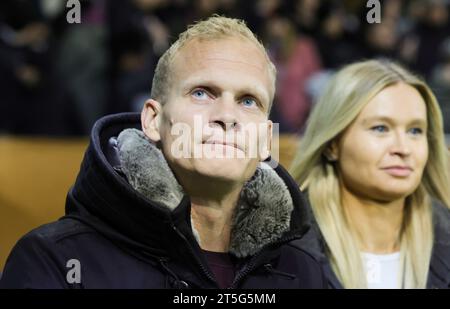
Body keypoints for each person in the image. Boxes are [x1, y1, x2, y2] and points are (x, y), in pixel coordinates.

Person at [0, 16, 325, 289]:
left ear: (267, 139)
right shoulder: (53, 261)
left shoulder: (306, 272)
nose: (227, 116)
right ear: (153, 120)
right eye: (202, 93)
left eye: (248, 101)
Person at [290, 59, 450, 289]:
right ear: (332, 144)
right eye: (380, 128)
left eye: (415, 131)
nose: (403, 149)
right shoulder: (281, 247)